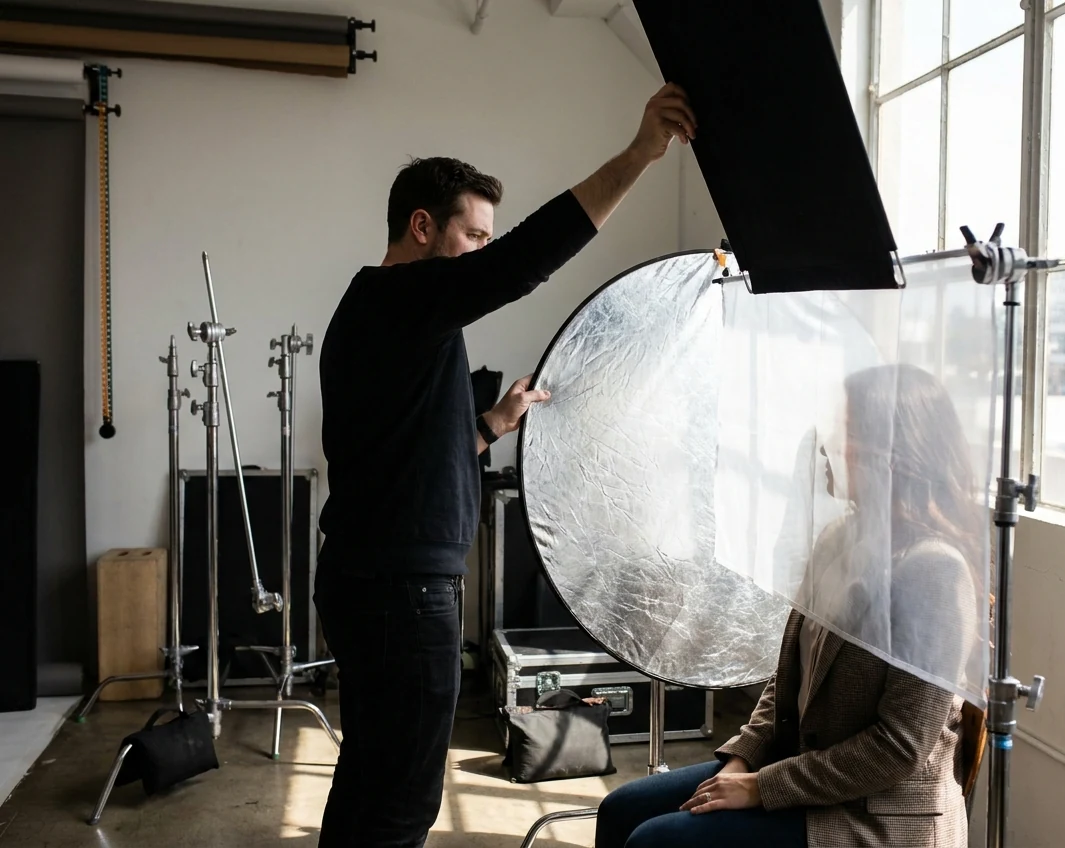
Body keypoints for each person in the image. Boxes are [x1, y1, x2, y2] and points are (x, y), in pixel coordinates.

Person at [313, 83, 698, 848]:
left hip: (376, 585)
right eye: (474, 236)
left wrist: (492, 424)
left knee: (370, 783)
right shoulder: (401, 300)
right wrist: (638, 157)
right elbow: (524, 262)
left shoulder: (389, 317)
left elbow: (405, 451)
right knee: (398, 807)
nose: (484, 253)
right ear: (422, 228)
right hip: (401, 598)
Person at [595, 364, 986, 848]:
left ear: (891, 454)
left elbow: (901, 747)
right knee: (620, 810)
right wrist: (743, 758)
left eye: (843, 432)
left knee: (656, 842)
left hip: (875, 814)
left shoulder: (934, 572)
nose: (824, 447)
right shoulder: (839, 537)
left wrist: (762, 786)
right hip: (806, 769)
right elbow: (790, 680)